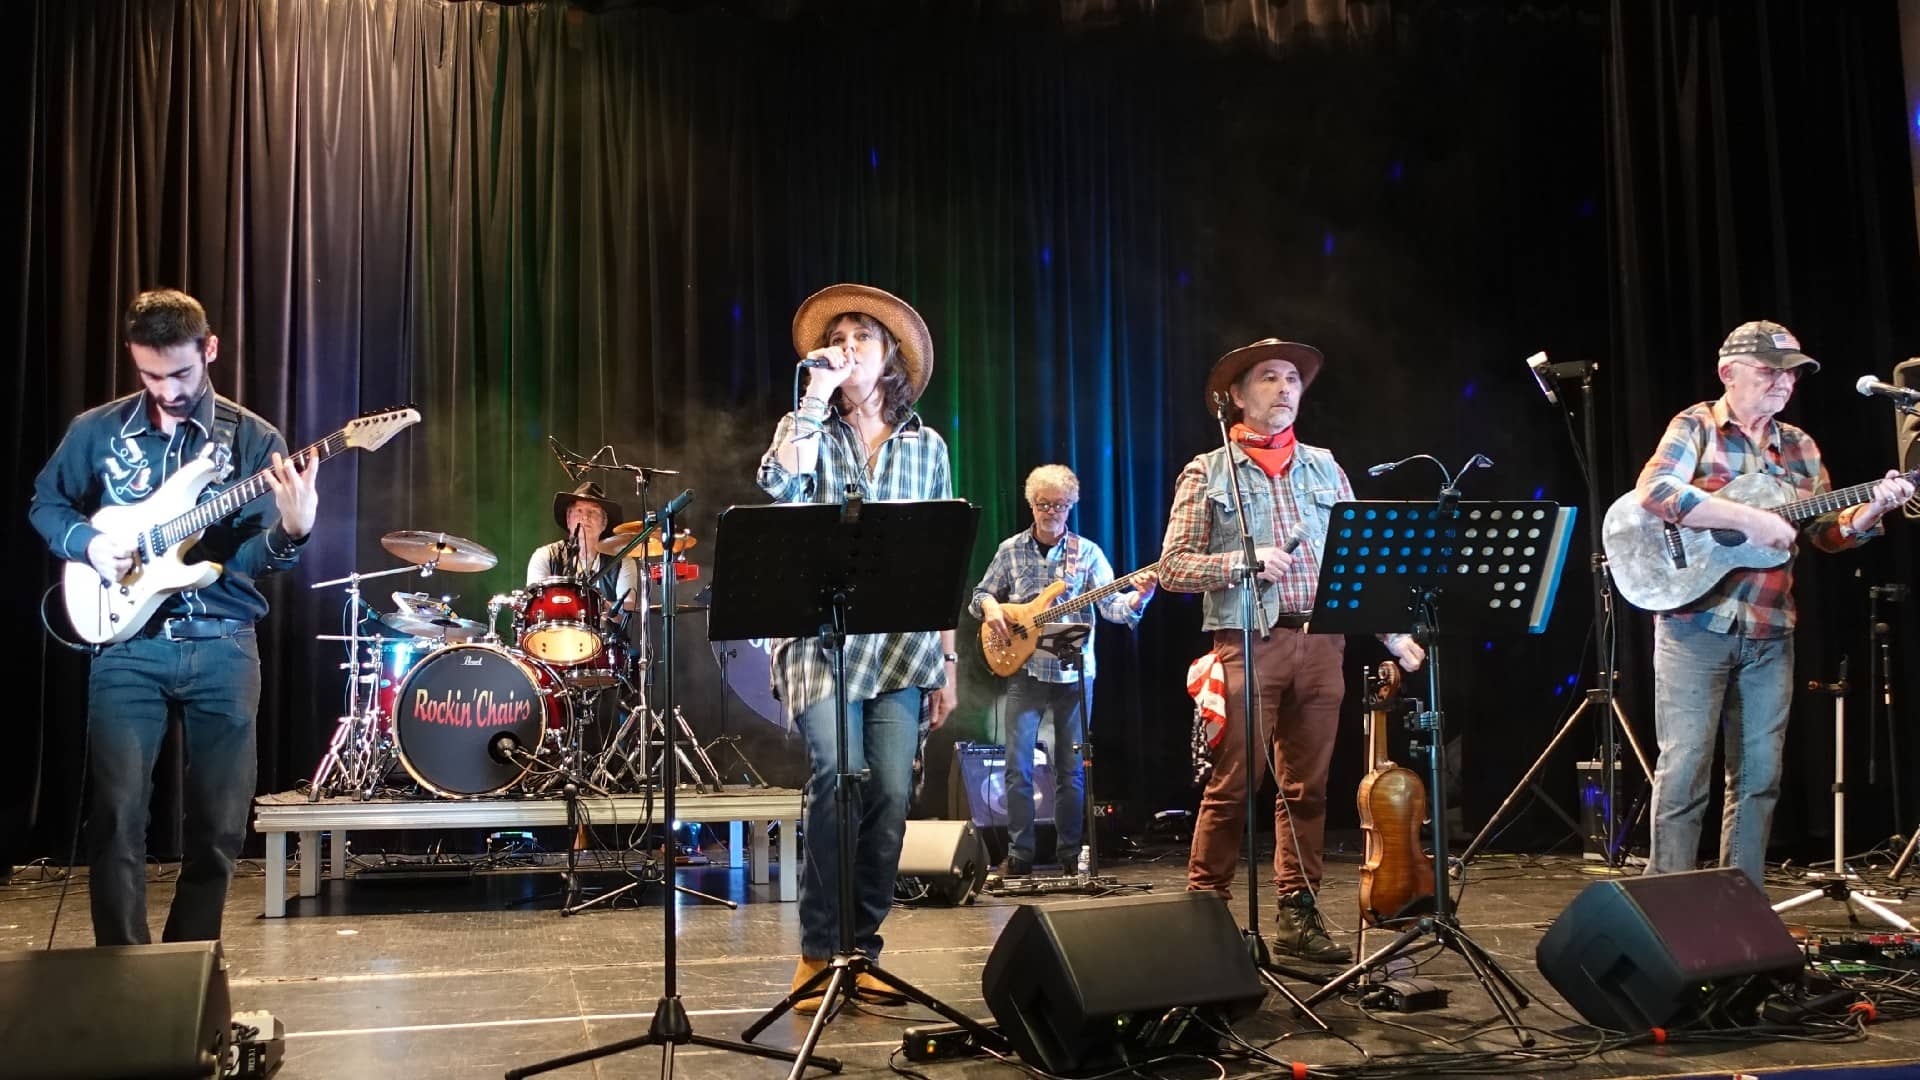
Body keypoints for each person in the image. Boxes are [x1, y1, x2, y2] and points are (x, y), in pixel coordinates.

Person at [29, 288, 320, 946]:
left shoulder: (252, 440)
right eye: (150, 375)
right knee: (116, 818)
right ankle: (124, 983)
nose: (166, 390)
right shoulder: (98, 432)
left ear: (209, 350)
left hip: (223, 645)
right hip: (127, 646)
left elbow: (248, 558)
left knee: (219, 828)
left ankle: (185, 976)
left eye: (181, 373)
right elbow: (46, 504)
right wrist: (89, 544)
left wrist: (292, 532)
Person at [1159, 337, 1424, 963]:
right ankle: (1207, 909)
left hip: (1321, 641)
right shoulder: (1208, 470)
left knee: (1306, 789)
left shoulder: (1325, 466)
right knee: (1236, 780)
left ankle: (1298, 910)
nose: (1284, 389)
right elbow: (1171, 567)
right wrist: (1241, 560)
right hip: (1248, 641)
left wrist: (1393, 633)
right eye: (1270, 378)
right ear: (1237, 396)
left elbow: (1359, 563)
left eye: (1293, 381)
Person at [1635, 320, 1912, 888]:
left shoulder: (1800, 447)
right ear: (1727, 373)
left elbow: (1827, 534)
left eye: (1790, 375)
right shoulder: (1696, 426)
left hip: (1769, 629)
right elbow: (1656, 492)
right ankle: (1665, 908)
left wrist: (1876, 508)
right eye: (1769, 371)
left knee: (1760, 777)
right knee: (1685, 771)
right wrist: (1745, 518)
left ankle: (1740, 908)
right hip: (1694, 625)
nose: (1782, 383)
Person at [757, 283, 957, 1010]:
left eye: (861, 338)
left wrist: (949, 660)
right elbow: (777, 484)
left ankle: (860, 952)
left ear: (890, 359)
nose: (846, 347)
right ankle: (816, 954)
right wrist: (814, 399)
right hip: (819, 642)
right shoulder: (805, 425)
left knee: (893, 793)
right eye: (837, 337)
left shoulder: (927, 446)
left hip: (902, 649)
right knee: (838, 774)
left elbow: (940, 563)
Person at [971, 464, 1155, 877]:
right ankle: (1020, 855)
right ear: (1030, 504)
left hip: (1073, 674)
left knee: (1069, 770)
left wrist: (1140, 597)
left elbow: (1113, 608)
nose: (1050, 512)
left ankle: (1070, 854)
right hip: (1024, 670)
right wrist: (991, 608)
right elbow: (980, 594)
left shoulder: (1086, 553)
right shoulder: (1010, 549)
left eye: (1058, 505)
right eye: (1042, 504)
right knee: (1017, 767)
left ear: (1071, 505)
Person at [525, 480, 640, 610]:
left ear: (604, 523)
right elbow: (533, 604)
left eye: (593, 511)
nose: (585, 517)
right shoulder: (545, 556)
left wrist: (594, 605)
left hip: (606, 630)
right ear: (568, 520)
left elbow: (627, 610)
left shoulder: (622, 561)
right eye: (579, 510)